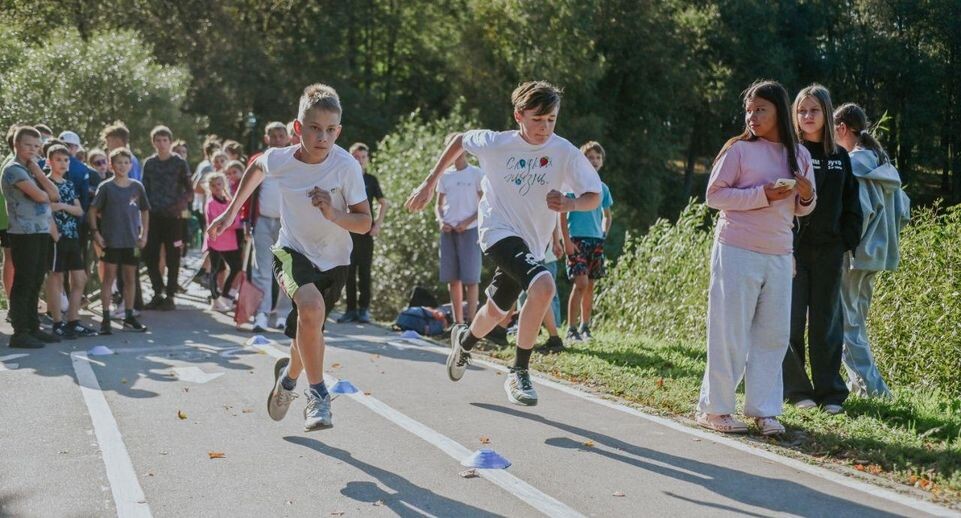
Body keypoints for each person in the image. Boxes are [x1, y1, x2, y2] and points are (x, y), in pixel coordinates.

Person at [405, 80, 602, 406]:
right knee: (542, 285)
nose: (545, 127)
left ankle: (465, 342)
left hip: (533, 242)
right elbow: (459, 140)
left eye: (551, 119)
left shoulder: (563, 151)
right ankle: (519, 371)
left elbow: (593, 196)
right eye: (537, 119)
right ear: (519, 115)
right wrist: (429, 183)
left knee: (496, 310)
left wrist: (570, 205)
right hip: (497, 232)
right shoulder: (496, 143)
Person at [208, 83, 371, 431]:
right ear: (298, 129)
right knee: (310, 310)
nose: (322, 137)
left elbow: (364, 222)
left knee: (307, 332)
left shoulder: (346, 167)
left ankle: (288, 378)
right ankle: (318, 396)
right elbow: (256, 168)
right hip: (291, 250)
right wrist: (229, 214)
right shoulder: (281, 159)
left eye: (330, 130)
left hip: (335, 261)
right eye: (314, 128)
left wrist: (333, 214)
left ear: (338, 132)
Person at [696, 80, 816, 436]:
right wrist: (761, 193)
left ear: (778, 110)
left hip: (779, 252)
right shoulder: (737, 151)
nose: (752, 116)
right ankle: (715, 409)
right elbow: (714, 196)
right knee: (729, 331)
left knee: (773, 335)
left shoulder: (800, 156)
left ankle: (764, 410)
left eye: (760, 109)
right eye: (748, 109)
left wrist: (806, 195)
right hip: (736, 248)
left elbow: (804, 209)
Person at [782, 85, 862, 414]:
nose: (807, 116)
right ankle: (797, 390)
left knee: (827, 322)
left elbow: (851, 205)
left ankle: (830, 393)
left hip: (830, 250)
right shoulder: (790, 153)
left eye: (814, 110)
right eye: (802, 111)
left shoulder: (839, 157)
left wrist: (846, 240)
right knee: (790, 319)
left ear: (827, 114)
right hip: (793, 251)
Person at [834, 103, 909, 399]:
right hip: (879, 255)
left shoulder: (854, 165)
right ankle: (860, 384)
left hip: (855, 254)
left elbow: (860, 212)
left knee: (845, 322)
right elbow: (904, 211)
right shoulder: (884, 164)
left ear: (841, 129)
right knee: (855, 322)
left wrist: (846, 244)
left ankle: (874, 390)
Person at [2, 126, 62, 348]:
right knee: (24, 281)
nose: (33, 150)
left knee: (37, 279)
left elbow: (55, 195)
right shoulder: (14, 170)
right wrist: (38, 177)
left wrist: (37, 171)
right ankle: (20, 332)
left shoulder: (30, 169)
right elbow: (40, 196)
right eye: (28, 145)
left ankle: (33, 326)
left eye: (37, 146)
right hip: (23, 233)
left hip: (40, 230)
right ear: (17, 145)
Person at [89, 148, 149, 334]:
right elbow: (92, 210)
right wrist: (96, 233)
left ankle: (129, 316)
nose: (122, 166)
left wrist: (144, 234)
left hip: (131, 241)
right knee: (108, 279)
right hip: (111, 241)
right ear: (111, 164)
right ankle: (106, 318)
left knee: (131, 279)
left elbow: (145, 210)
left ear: (130, 165)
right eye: (118, 162)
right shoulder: (106, 187)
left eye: (126, 162)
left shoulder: (137, 186)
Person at [561, 141, 613, 341]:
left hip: (595, 241)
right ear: (582, 160)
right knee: (580, 283)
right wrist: (566, 241)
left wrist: (603, 234)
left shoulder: (603, 188)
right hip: (576, 241)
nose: (594, 160)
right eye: (590, 157)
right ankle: (571, 329)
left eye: (598, 157)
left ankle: (585, 326)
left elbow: (607, 215)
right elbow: (561, 215)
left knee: (590, 285)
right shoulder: (573, 186)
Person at [44, 144, 96, 338]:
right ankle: (57, 322)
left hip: (72, 236)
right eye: (58, 160)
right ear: (49, 161)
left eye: (66, 160)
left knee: (80, 278)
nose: (63, 163)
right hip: (56, 237)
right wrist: (55, 233)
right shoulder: (46, 183)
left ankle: (73, 320)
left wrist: (62, 206)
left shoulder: (68, 184)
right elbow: (47, 210)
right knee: (56, 277)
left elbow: (79, 210)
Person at [434, 132, 483, 325]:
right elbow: (438, 204)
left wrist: (468, 221)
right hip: (448, 231)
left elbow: (484, 203)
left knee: (471, 279)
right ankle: (458, 324)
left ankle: (472, 324)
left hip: (469, 231)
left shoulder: (477, 173)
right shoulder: (444, 175)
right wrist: (440, 220)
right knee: (452, 279)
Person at [248, 122, 293, 332]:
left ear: (288, 137)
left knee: (287, 270)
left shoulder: (294, 160)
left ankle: (283, 314)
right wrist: (247, 222)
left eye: (281, 135)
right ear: (267, 138)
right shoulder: (259, 160)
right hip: (263, 221)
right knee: (262, 270)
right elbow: (248, 193)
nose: (277, 139)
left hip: (288, 224)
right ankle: (261, 314)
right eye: (273, 136)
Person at [142, 125, 193, 311]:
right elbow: (144, 189)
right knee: (150, 254)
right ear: (153, 142)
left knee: (173, 255)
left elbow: (189, 190)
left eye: (165, 140)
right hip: (153, 215)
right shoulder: (149, 163)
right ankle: (157, 291)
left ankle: (170, 294)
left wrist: (179, 206)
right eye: (158, 140)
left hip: (174, 217)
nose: (161, 144)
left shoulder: (179, 162)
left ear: (170, 142)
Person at [338, 142, 389, 324]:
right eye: (355, 157)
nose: (359, 160)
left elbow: (384, 202)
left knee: (365, 272)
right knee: (348, 271)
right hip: (348, 231)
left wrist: (378, 224)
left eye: (362, 157)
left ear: (367, 159)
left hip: (366, 233)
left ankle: (363, 310)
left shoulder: (371, 180)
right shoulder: (344, 177)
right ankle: (350, 310)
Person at [204, 173, 242, 311]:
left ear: (224, 184)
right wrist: (231, 223)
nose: (216, 187)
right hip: (215, 241)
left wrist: (231, 223)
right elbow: (216, 222)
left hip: (230, 241)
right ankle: (215, 300)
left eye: (219, 184)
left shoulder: (229, 200)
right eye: (213, 185)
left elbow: (236, 218)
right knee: (215, 270)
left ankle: (225, 294)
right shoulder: (210, 203)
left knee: (236, 267)